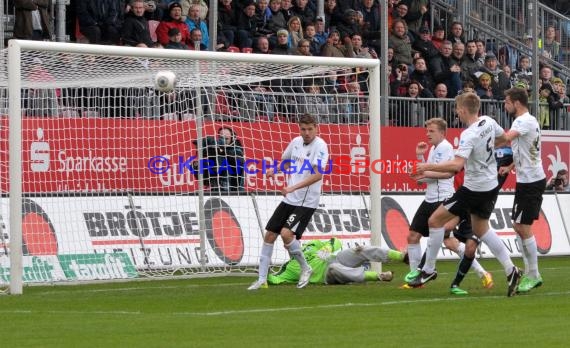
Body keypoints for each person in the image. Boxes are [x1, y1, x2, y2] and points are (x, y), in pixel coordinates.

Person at [407, 92, 522, 297]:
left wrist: (426, 166)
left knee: (435, 221)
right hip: (490, 186)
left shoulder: (468, 134)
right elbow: (504, 139)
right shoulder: (488, 121)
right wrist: (483, 150)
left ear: (461, 110)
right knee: (483, 229)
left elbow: (456, 166)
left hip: (473, 188)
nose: (456, 113)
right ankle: (510, 270)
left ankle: (428, 269)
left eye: (457, 110)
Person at [403, 118, 492, 293]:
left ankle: (481, 273)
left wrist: (421, 172)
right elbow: (427, 178)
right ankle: (416, 276)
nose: (428, 134)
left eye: (432, 131)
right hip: (430, 198)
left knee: (447, 240)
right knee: (414, 237)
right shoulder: (434, 149)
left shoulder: (446, 147)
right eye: (427, 131)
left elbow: (447, 174)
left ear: (442, 133)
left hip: (443, 199)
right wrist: (419, 162)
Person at [248, 114, 330, 290]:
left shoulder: (321, 146)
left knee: (286, 234)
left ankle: (305, 268)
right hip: (290, 198)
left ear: (316, 128)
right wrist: (274, 170)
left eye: (310, 129)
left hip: (305, 202)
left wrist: (293, 188)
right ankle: (262, 279)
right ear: (299, 128)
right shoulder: (295, 142)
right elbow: (286, 163)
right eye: (303, 129)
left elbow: (318, 175)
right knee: (270, 234)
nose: (306, 133)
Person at [497, 87, 547, 293]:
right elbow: (524, 149)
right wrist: (509, 167)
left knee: (523, 227)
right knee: (518, 226)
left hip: (532, 181)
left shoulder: (523, 121)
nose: (505, 105)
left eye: (507, 102)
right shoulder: (527, 120)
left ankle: (533, 274)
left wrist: (481, 142)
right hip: (526, 180)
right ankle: (530, 271)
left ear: (516, 102)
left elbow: (507, 138)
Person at [268, 238, 405, 286]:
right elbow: (274, 279)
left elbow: (336, 240)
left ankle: (401, 256)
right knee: (334, 268)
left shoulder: (311, 245)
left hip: (336, 258)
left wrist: (329, 247)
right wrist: (264, 273)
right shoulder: (288, 268)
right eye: (288, 243)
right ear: (286, 247)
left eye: (292, 240)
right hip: (328, 275)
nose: (292, 244)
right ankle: (378, 276)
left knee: (360, 249)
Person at [216, 127, 245, 191]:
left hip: (234, 192)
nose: (223, 141)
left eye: (226, 139)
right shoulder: (215, 151)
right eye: (221, 138)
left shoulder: (237, 150)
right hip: (217, 190)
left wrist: (223, 151)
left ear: (232, 139)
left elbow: (237, 162)